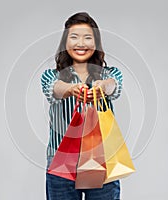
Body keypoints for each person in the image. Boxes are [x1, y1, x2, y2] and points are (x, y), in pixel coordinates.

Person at [41, 11, 123, 200]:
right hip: (61, 165)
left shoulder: (109, 74)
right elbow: (55, 88)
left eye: (88, 37)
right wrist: (71, 89)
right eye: (74, 37)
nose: (81, 43)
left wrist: (103, 86)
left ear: (95, 43)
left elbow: (114, 85)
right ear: (65, 43)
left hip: (101, 161)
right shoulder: (51, 76)